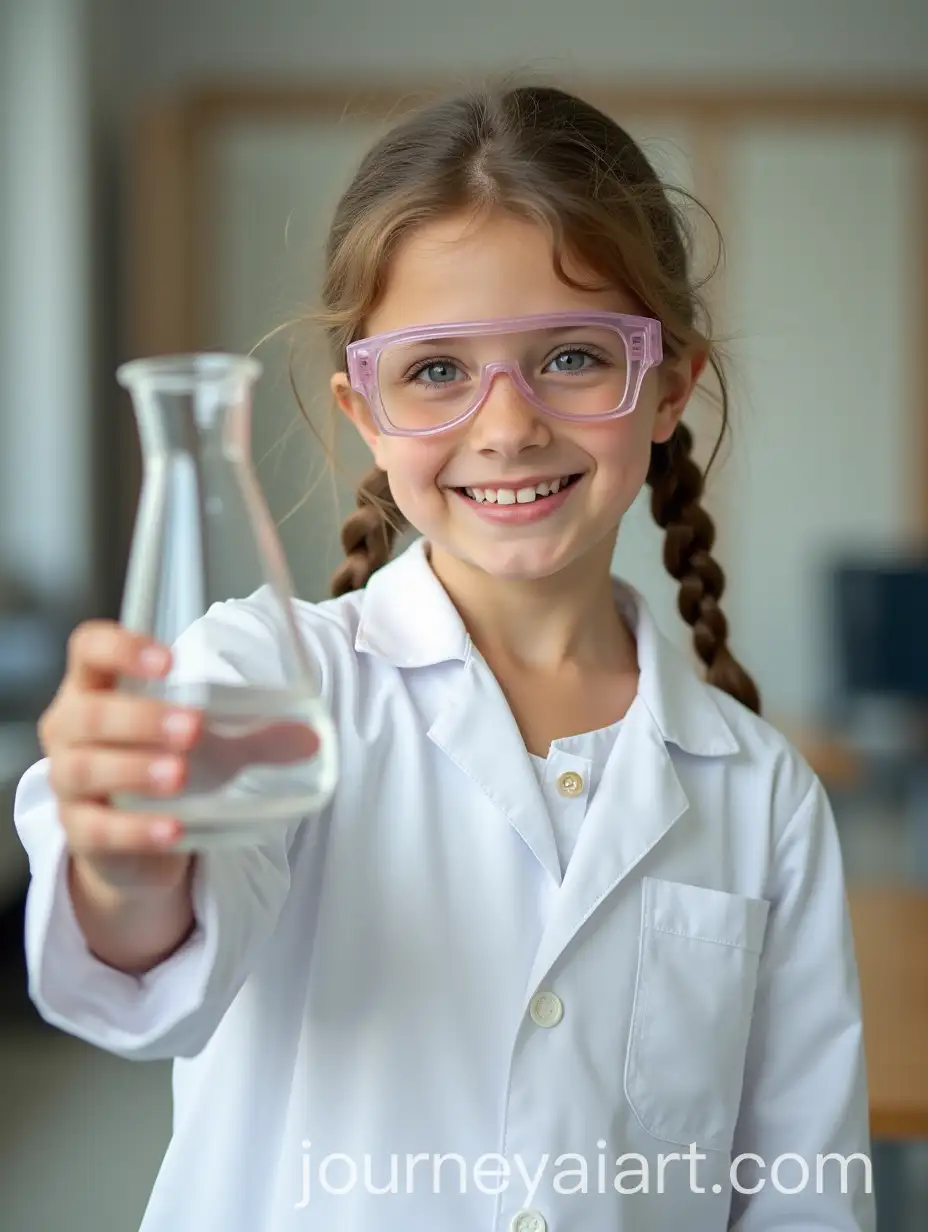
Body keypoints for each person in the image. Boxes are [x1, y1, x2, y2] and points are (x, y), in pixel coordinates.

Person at [14, 84, 874, 1232]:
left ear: (667, 385)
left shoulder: (760, 793)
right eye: (435, 370)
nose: (507, 425)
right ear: (363, 410)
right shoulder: (268, 676)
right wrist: (126, 866)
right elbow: (146, 975)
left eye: (571, 355)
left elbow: (802, 1195)